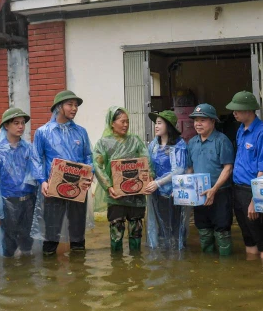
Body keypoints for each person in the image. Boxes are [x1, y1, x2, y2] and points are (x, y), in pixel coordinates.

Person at [32, 90, 94, 256]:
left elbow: (88, 156)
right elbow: (36, 159)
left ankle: (80, 272)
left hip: (78, 187)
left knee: (77, 232)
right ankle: (49, 271)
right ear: (59, 107)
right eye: (70, 104)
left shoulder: (81, 132)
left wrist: (90, 174)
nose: (74, 108)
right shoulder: (43, 132)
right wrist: (42, 181)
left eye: (76, 105)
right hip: (53, 189)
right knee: (51, 232)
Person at [93, 106, 153, 252]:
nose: (126, 125)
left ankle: (136, 263)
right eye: (122, 121)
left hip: (136, 195)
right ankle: (117, 264)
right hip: (116, 196)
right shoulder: (103, 143)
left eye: (127, 122)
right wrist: (108, 186)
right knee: (116, 232)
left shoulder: (135, 141)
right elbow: (98, 166)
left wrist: (149, 178)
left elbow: (146, 161)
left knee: (136, 231)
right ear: (112, 123)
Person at [0, 108, 39, 258]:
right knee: (8, 246)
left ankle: (25, 275)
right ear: (6, 126)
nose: (21, 126)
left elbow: (37, 174)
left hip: (28, 202)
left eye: (22, 123)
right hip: (7, 204)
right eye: (16, 123)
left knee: (28, 244)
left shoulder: (29, 148)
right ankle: (10, 276)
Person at [226, 91, 263, 260]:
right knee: (246, 232)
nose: (234, 113)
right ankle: (254, 273)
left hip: (252, 189)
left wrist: (256, 199)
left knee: (259, 232)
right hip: (238, 187)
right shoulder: (240, 129)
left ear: (249, 110)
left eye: (237, 109)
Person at [185, 104, 235, 256]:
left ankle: (226, 268)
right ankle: (208, 266)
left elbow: (228, 168)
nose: (198, 124)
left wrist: (214, 189)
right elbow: (190, 169)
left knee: (222, 231)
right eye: (195, 120)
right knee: (203, 230)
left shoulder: (222, 140)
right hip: (200, 195)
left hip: (220, 194)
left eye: (202, 120)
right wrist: (184, 190)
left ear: (213, 122)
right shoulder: (192, 142)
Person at [143, 110, 190, 250]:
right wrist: (150, 180)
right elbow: (148, 165)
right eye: (155, 124)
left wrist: (158, 183)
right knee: (161, 229)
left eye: (159, 123)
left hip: (173, 193)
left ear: (168, 126)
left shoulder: (179, 145)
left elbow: (179, 170)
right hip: (157, 193)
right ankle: (163, 259)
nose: (156, 126)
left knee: (175, 228)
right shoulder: (154, 145)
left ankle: (176, 258)